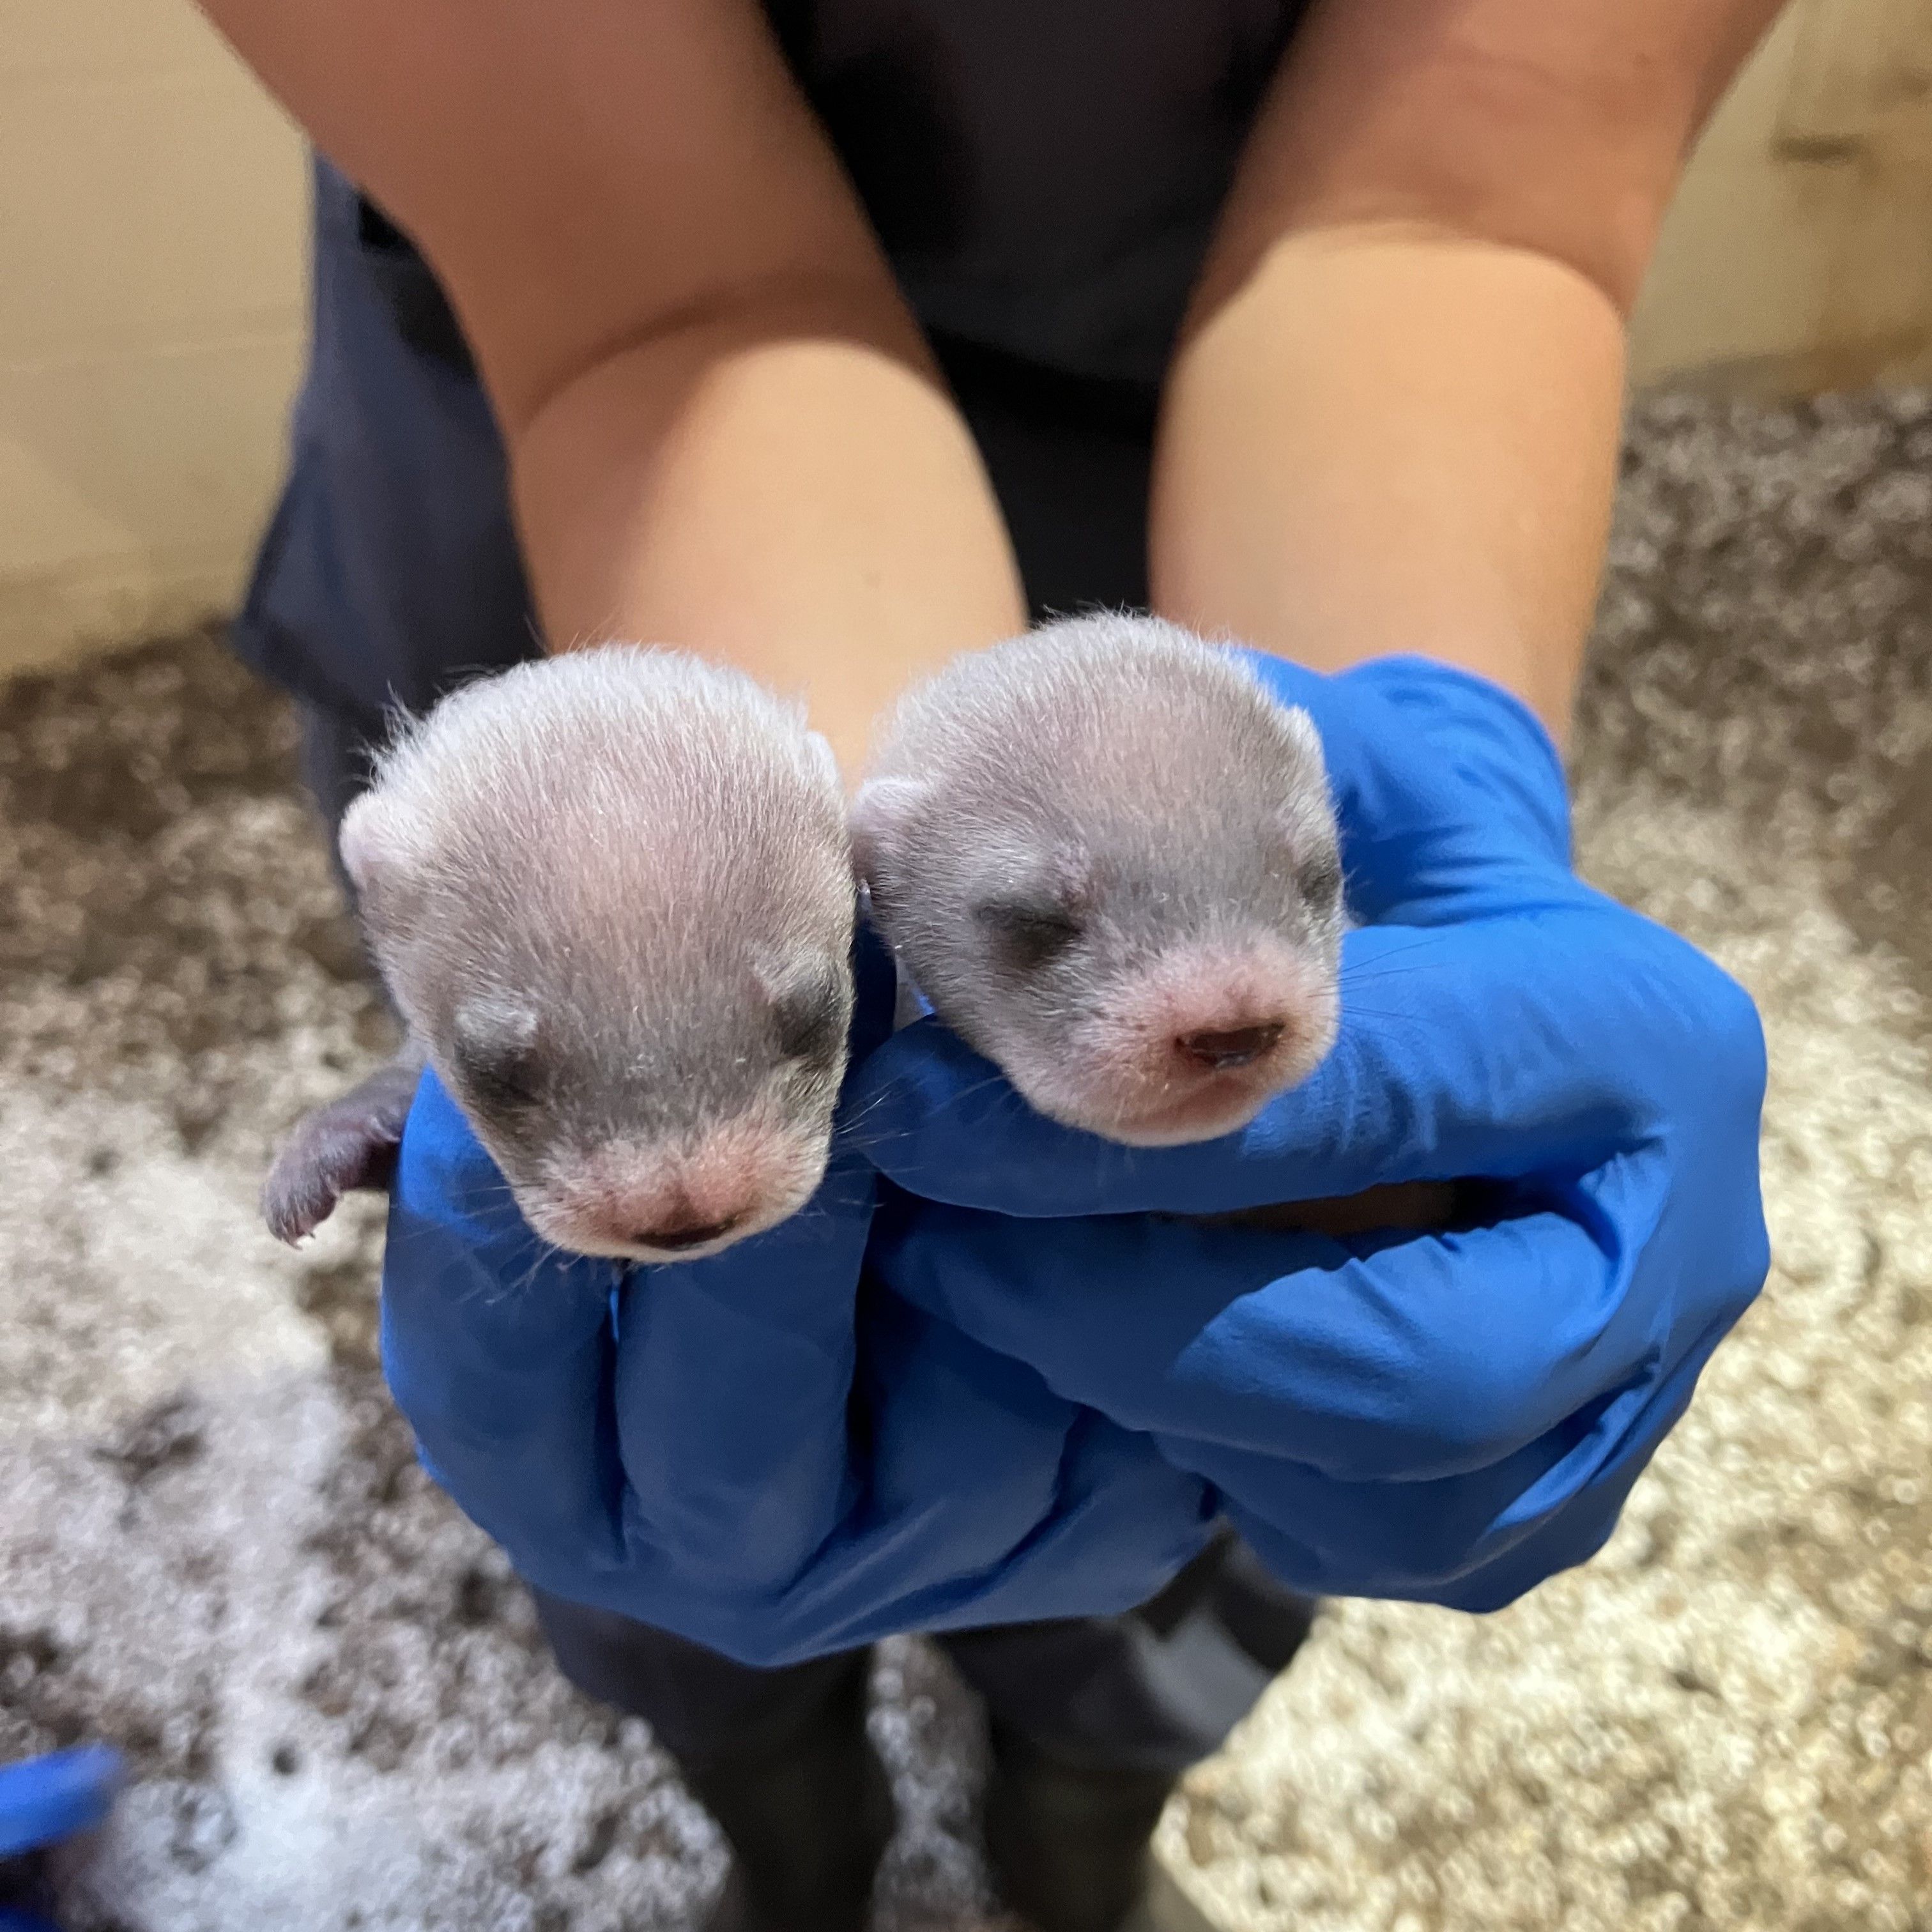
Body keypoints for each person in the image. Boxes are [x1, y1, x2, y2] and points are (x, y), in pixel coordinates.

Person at [195, 3, 1780, 1928]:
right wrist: (808, 897)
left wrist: (1426, 794)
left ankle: (1084, 1825)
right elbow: (663, 291)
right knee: (669, 1441)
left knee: (1260, 1366)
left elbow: (1464, 198)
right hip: (612, 467)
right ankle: (791, 1838)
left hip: (1216, 509)